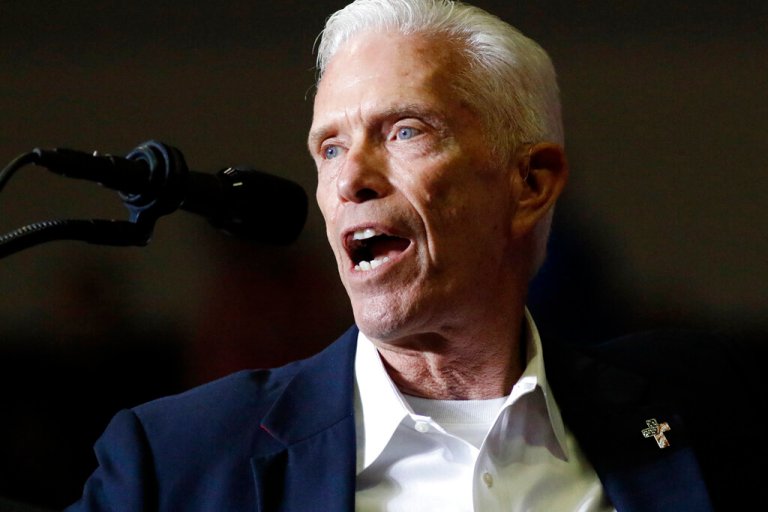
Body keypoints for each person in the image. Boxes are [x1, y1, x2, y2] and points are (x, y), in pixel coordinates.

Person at [65, 1, 764, 510]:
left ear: (530, 184)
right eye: (330, 148)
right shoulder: (178, 463)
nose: (348, 180)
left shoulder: (709, 406)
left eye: (404, 131)